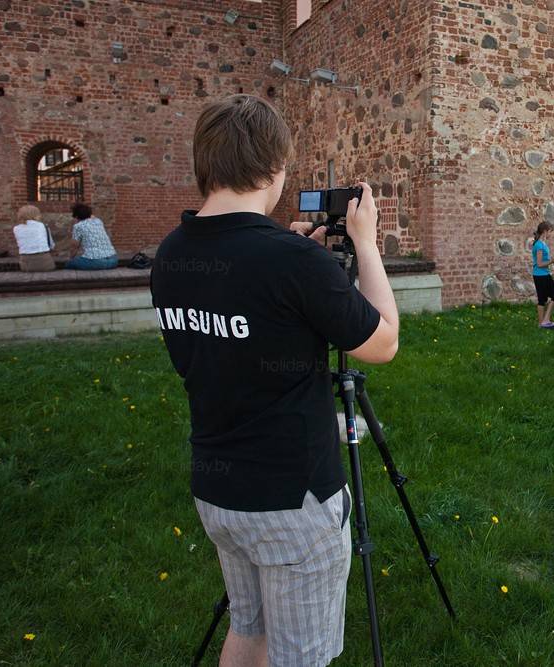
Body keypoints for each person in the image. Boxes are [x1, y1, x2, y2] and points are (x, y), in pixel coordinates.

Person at [150, 94, 399, 666]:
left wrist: (301, 264)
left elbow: (233, 327)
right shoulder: (290, 261)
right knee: (300, 655)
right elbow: (382, 342)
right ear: (273, 167)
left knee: (249, 629)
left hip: (219, 489)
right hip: (293, 500)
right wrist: (365, 244)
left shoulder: (172, 253)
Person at [65, 202, 117, 270]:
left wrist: (71, 258)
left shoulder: (78, 226)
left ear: (77, 216)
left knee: (69, 264)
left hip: (95, 262)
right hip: (113, 260)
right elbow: (92, 216)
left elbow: (75, 246)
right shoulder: (98, 221)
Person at [532, 221, 554, 328]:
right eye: (550, 232)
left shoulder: (542, 243)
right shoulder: (539, 245)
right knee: (543, 299)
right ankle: (542, 322)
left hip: (544, 274)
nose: (550, 234)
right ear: (545, 232)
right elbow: (539, 264)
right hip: (540, 275)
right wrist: (551, 261)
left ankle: (545, 320)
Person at [12, 205, 56, 272]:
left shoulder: (16, 228)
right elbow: (51, 245)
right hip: (45, 263)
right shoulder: (42, 226)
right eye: (38, 214)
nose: (40, 216)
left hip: (26, 265)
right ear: (34, 215)